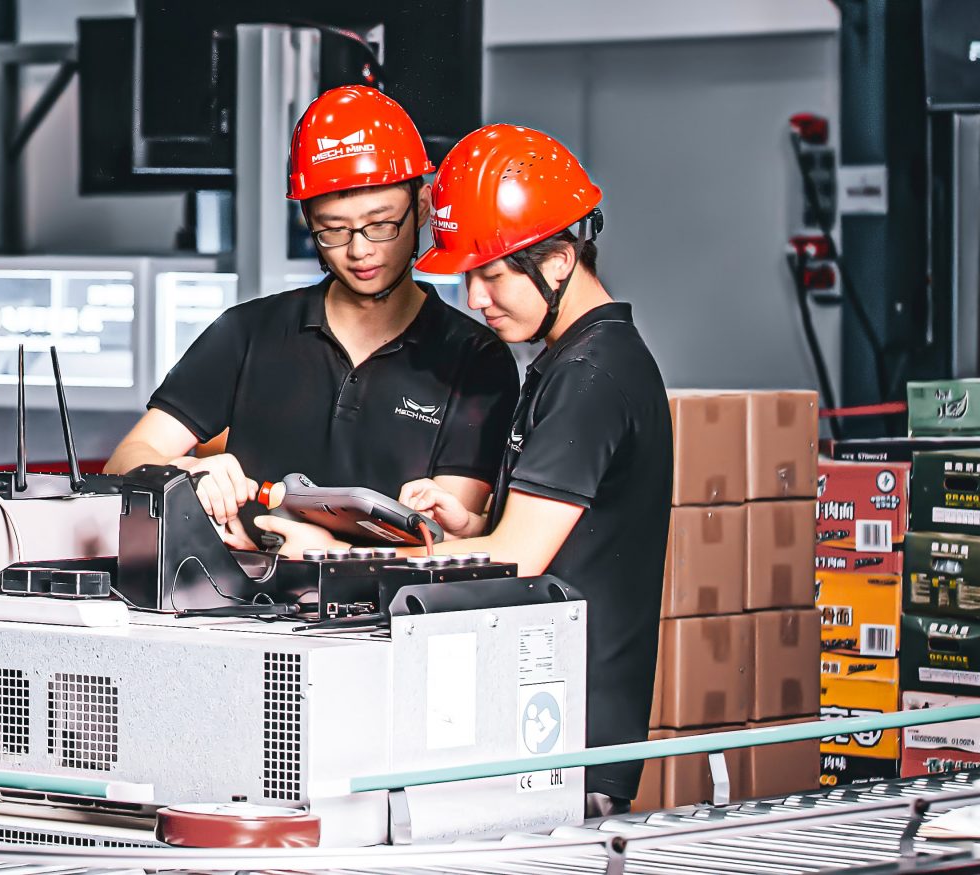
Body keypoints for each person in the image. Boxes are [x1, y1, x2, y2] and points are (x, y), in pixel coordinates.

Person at [258, 124, 673, 816]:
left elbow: (518, 560)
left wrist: (335, 557)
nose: (476, 299)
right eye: (467, 276)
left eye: (492, 272)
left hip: (565, 746)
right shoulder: (569, 364)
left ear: (561, 258)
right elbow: (555, 536)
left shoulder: (594, 375)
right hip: (542, 729)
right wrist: (467, 524)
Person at [104, 86, 518, 550]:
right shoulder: (248, 332)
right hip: (234, 606)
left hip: (385, 615)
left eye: (381, 224)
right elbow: (125, 459)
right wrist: (183, 470)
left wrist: (327, 554)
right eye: (333, 230)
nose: (359, 250)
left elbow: (439, 538)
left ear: (421, 206)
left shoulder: (475, 360)